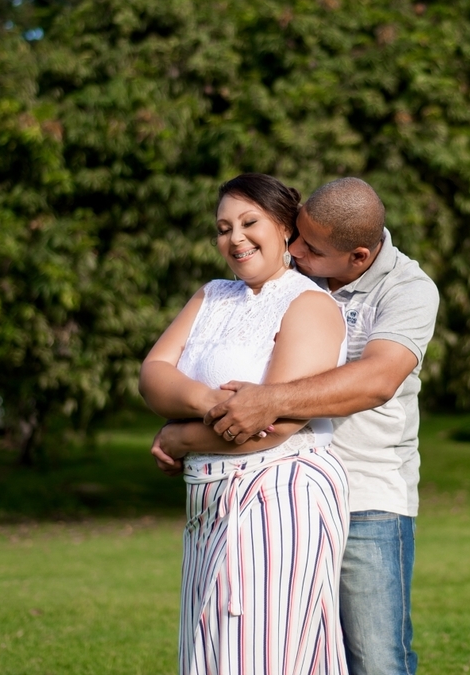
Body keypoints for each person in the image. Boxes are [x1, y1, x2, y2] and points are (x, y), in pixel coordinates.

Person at [154, 177, 440, 675]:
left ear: (357, 256)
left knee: (375, 658)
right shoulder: (294, 276)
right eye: (298, 235)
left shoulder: (407, 290)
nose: (297, 249)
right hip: (282, 485)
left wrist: (265, 403)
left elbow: (376, 381)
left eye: (311, 247)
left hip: (369, 493)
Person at [139, 174, 350, 675]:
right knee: (211, 656)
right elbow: (153, 375)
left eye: (249, 222)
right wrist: (211, 402)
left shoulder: (309, 304)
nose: (235, 238)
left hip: (280, 495)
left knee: (258, 657)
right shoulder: (211, 295)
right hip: (210, 502)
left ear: (284, 227)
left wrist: (177, 437)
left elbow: (271, 428)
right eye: (223, 228)